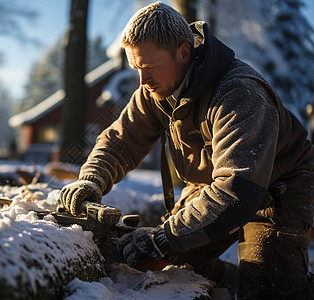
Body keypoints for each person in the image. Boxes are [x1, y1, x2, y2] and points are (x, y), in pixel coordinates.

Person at [59, 2, 314, 299]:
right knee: (168, 260)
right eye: (136, 68)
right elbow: (121, 140)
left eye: (150, 67)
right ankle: (229, 284)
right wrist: (92, 179)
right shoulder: (156, 89)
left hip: (278, 187)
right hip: (216, 184)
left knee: (268, 289)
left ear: (183, 52)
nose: (142, 81)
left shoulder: (240, 93)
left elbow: (236, 192)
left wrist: (165, 236)